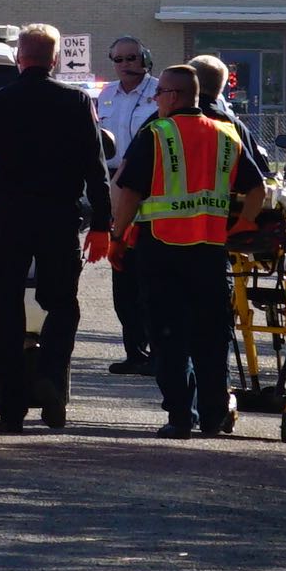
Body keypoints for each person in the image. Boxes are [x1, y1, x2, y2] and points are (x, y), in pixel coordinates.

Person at [0, 24, 118, 432]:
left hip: (11, 215)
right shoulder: (76, 102)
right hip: (59, 216)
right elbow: (96, 169)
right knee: (61, 304)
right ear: (55, 59)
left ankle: (11, 408)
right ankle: (51, 380)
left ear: (19, 57)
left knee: (6, 310)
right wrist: (102, 225)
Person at [109, 62, 270, 437]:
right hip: (210, 252)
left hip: (161, 249)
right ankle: (212, 416)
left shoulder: (157, 133)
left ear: (175, 95)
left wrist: (117, 238)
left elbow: (130, 191)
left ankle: (181, 416)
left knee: (168, 336)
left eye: (160, 92)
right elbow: (258, 189)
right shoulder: (227, 134)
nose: (155, 98)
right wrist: (244, 223)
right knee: (211, 337)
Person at [92, 38, 166, 374]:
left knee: (149, 277)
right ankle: (135, 352)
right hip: (113, 184)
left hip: (150, 187)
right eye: (118, 58)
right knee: (122, 278)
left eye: (132, 57)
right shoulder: (105, 94)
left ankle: (159, 351)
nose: (125, 64)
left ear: (146, 58)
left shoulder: (160, 92)